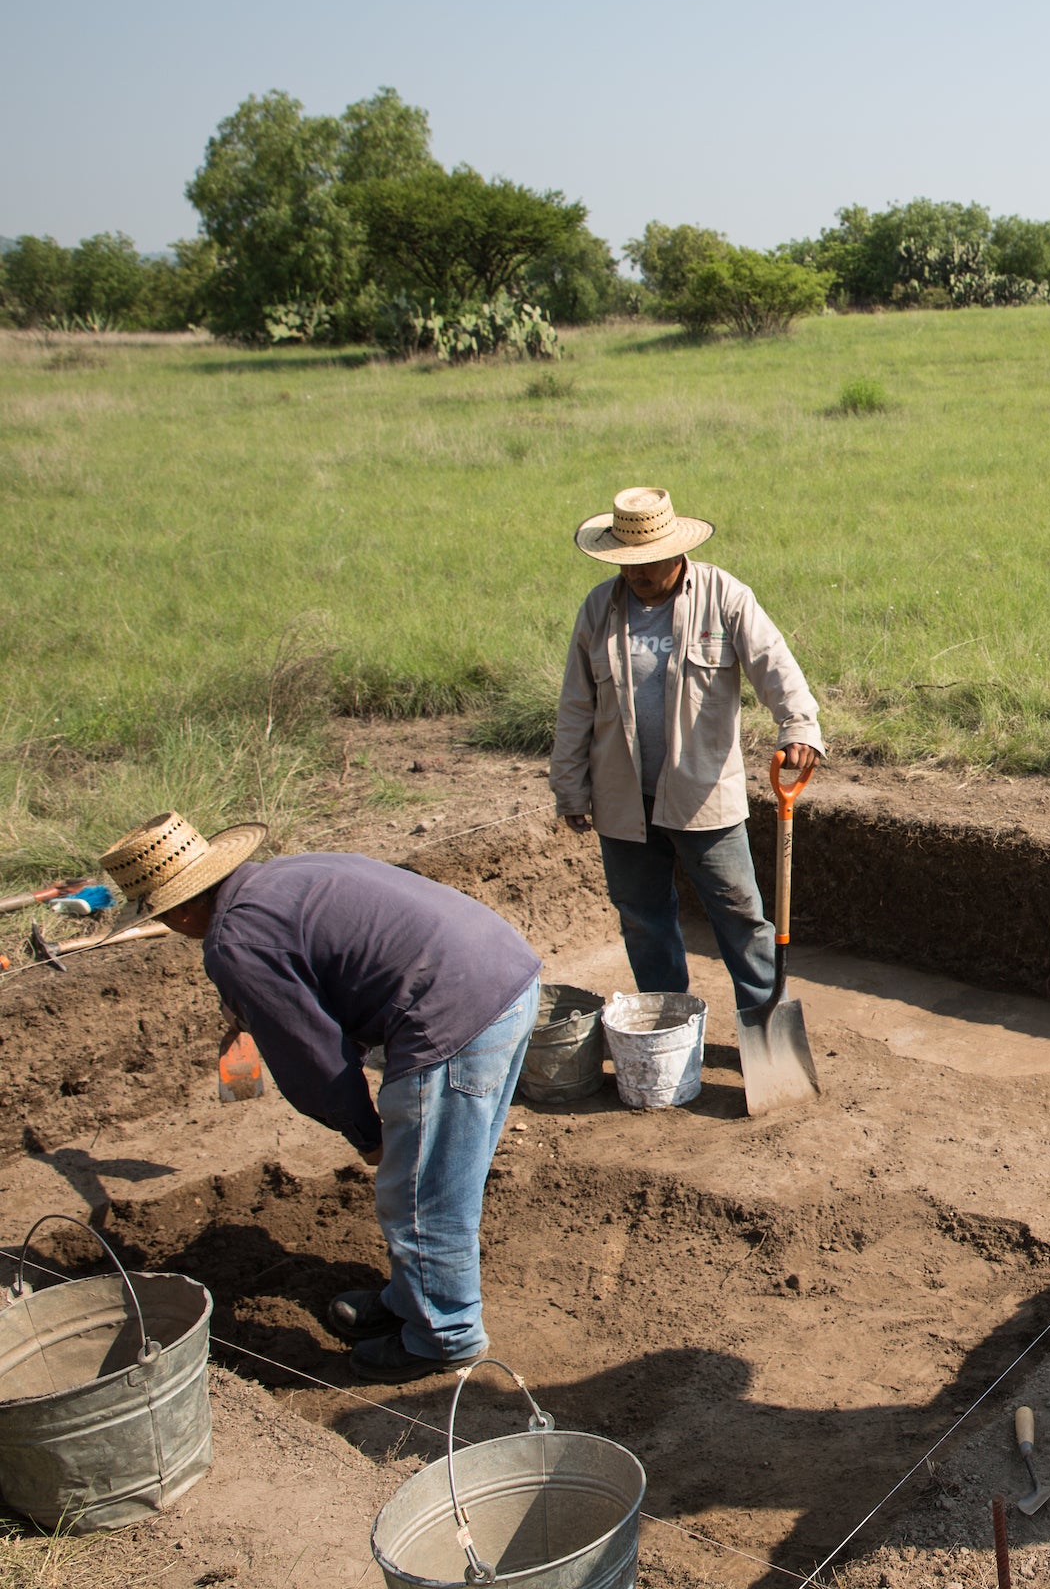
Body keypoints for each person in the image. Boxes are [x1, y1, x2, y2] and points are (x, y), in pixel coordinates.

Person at [102, 812, 544, 1383]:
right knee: (438, 1176)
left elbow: (313, 1061)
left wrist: (365, 1133)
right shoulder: (285, 876)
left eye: (159, 916)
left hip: (453, 1015)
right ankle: (417, 1301)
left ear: (182, 908)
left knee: (420, 1195)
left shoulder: (233, 939)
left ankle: (445, 1336)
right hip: (505, 974)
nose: (166, 925)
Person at [550, 487, 824, 1018]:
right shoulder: (598, 609)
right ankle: (670, 1024)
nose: (636, 574)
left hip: (702, 794)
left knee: (740, 916)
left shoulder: (724, 596)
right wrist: (570, 786)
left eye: (647, 563)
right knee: (642, 917)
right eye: (626, 564)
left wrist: (799, 728)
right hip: (622, 799)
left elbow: (776, 666)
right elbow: (575, 706)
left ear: (676, 551)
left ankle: (764, 1023)